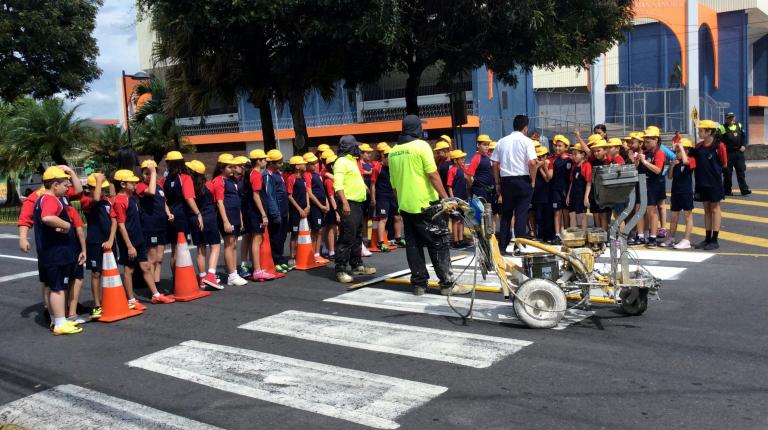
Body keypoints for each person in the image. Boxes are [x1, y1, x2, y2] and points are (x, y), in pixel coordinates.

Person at [389, 115, 458, 296]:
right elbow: (433, 174)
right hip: (426, 204)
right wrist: (446, 198)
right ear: (416, 129)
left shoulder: (393, 151)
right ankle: (447, 284)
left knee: (413, 246)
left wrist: (402, 202)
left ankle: (419, 284)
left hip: (406, 206)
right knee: (439, 243)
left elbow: (394, 184)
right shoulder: (421, 146)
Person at [110, 169, 175, 307]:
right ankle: (131, 300)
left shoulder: (132, 198)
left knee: (145, 266)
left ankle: (156, 295)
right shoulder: (119, 201)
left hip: (139, 238)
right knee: (129, 270)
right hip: (129, 241)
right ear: (122, 184)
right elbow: (121, 225)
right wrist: (129, 246)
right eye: (132, 183)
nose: (135, 185)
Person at [34, 166, 83, 335]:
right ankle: (60, 324)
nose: (67, 187)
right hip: (55, 252)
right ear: (55, 185)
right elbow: (47, 217)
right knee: (58, 288)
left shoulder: (43, 199)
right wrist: (66, 225)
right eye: (64, 184)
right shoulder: (51, 200)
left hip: (50, 252)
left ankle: (57, 321)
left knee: (55, 287)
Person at [491, 115, 538, 255]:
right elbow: (533, 163)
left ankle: (502, 246)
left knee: (506, 214)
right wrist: (533, 180)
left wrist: (498, 182)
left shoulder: (501, 141)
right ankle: (520, 245)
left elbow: (494, 163)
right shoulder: (527, 141)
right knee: (521, 213)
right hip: (522, 179)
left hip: (506, 181)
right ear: (525, 128)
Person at [333, 135, 376, 283]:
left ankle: (356, 264)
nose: (357, 148)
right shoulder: (341, 162)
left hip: (357, 203)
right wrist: (344, 202)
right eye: (355, 146)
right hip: (349, 203)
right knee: (347, 237)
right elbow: (337, 184)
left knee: (357, 235)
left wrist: (368, 193)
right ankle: (340, 269)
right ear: (349, 147)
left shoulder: (352, 161)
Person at [80, 173, 113, 320]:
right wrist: (98, 180)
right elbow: (96, 199)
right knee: (96, 273)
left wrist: (111, 239)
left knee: (110, 271)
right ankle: (97, 304)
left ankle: (110, 300)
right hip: (95, 242)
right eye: (98, 187)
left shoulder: (107, 201)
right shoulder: (86, 200)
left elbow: (114, 220)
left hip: (109, 241)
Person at [212, 154, 248, 286]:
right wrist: (226, 221)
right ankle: (232, 274)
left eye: (233, 167)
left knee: (233, 245)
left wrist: (241, 218)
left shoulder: (232, 181)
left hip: (235, 215)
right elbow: (220, 202)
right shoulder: (218, 181)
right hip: (227, 216)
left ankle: (233, 273)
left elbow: (237, 201)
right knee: (229, 244)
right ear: (221, 167)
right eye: (229, 167)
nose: (232, 169)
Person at [186, 160, 222, 290]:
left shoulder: (188, 186)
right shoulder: (208, 185)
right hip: (209, 217)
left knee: (200, 249)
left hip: (194, 218)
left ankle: (202, 278)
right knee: (215, 246)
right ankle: (211, 275)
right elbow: (214, 201)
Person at [163, 151, 203, 269]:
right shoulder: (185, 178)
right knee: (182, 250)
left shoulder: (166, 179)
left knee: (174, 251)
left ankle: (176, 281)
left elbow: (163, 198)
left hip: (170, 215)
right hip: (182, 216)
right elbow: (189, 197)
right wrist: (198, 213)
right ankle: (183, 280)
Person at [694, 120, 728, 250]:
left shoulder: (719, 146)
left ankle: (715, 239)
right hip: (701, 182)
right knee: (706, 210)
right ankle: (707, 238)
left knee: (715, 209)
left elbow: (724, 163)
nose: (699, 132)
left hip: (714, 182)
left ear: (709, 132)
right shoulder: (698, 147)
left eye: (701, 130)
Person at [136, 160, 171, 286]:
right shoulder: (141, 186)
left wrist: (168, 213)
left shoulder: (159, 186)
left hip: (161, 224)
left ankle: (157, 283)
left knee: (160, 258)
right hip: (150, 226)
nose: (148, 176)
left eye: (150, 173)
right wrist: (153, 173)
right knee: (152, 257)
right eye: (146, 173)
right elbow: (150, 192)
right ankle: (151, 287)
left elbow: (164, 202)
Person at [243, 149, 275, 281]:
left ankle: (255, 268)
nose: (266, 161)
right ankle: (257, 270)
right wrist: (263, 214)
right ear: (258, 161)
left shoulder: (252, 173)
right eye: (264, 159)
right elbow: (256, 196)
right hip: (255, 212)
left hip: (251, 211)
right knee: (257, 239)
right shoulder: (256, 175)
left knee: (255, 239)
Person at [663, 137, 696, 249]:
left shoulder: (691, 160)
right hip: (675, 191)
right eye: (676, 151)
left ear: (686, 151)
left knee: (688, 216)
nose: (676, 153)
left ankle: (686, 240)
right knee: (673, 216)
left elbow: (687, 162)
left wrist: (681, 147)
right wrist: (672, 165)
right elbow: (670, 176)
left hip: (686, 192)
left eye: (679, 151)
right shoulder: (676, 162)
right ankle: (671, 238)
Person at [371, 144, 404, 252]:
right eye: (388, 157)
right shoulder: (377, 167)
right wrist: (373, 198)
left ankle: (398, 238)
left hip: (392, 195)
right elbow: (372, 184)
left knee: (397, 216)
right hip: (382, 196)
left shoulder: (393, 167)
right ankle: (381, 242)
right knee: (383, 218)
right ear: (383, 157)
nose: (390, 160)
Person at [262, 150, 290, 273]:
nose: (281, 164)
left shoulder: (278, 173)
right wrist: (274, 213)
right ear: (271, 163)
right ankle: (275, 260)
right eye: (278, 163)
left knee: (282, 236)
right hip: (276, 211)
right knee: (276, 237)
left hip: (284, 210)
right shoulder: (268, 175)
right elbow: (269, 195)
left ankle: (279, 257)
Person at [304, 152, 330, 263]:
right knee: (316, 230)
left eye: (315, 163)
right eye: (312, 164)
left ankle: (317, 252)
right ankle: (314, 253)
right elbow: (309, 193)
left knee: (320, 230)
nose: (315, 165)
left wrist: (327, 203)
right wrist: (320, 205)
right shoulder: (307, 175)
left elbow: (323, 191)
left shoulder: (317, 174)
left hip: (322, 206)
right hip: (316, 207)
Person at [467, 134, 496, 230]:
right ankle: (481, 237)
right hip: (480, 191)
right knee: (480, 216)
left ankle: (488, 235)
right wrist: (472, 187)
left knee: (488, 214)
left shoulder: (487, 158)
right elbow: (469, 176)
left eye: (488, 144)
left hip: (488, 191)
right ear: (478, 145)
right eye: (484, 144)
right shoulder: (476, 158)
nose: (487, 147)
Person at [286, 155, 310, 269]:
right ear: (297, 166)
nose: (305, 165)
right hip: (296, 211)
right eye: (303, 163)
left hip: (305, 210)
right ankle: (291, 257)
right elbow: (289, 196)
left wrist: (308, 206)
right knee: (294, 234)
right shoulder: (291, 178)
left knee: (304, 232)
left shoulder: (304, 177)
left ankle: (301, 255)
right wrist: (299, 209)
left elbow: (306, 192)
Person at [548, 135, 572, 244]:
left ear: (566, 147)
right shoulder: (553, 160)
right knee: (557, 212)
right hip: (555, 190)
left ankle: (566, 232)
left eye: (560, 146)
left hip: (566, 190)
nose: (557, 148)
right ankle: (557, 234)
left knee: (566, 212)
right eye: (556, 146)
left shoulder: (571, 160)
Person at [719, 112, 751, 196]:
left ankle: (744, 190)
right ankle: (727, 190)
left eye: (732, 117)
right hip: (728, 154)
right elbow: (719, 141)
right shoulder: (722, 128)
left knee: (741, 172)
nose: (731, 119)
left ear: (735, 117)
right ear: (726, 119)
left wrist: (743, 145)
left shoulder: (739, 125)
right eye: (729, 118)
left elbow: (743, 137)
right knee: (727, 173)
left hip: (739, 153)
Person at [446, 149, 470, 248]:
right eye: (461, 158)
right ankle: (455, 241)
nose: (464, 160)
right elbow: (449, 185)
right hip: (456, 198)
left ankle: (461, 239)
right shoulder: (452, 170)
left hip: (463, 197)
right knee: (455, 220)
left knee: (461, 219)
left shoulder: (463, 168)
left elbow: (468, 178)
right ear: (455, 160)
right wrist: (452, 199)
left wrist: (467, 177)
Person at [566, 143, 591, 232]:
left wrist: (586, 197)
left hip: (581, 194)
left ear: (583, 154)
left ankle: (584, 236)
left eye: (575, 154)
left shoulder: (586, 165)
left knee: (582, 216)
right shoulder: (574, 166)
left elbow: (588, 182)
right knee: (572, 215)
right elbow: (572, 182)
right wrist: (568, 195)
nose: (573, 156)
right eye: (572, 154)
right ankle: (574, 236)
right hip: (573, 193)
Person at [532, 146, 554, 242]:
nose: (539, 159)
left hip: (547, 193)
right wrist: (537, 167)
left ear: (546, 156)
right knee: (538, 216)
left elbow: (548, 178)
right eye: (538, 157)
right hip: (537, 193)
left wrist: (543, 167)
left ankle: (548, 235)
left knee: (548, 215)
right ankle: (540, 235)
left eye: (542, 156)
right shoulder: (534, 165)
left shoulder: (549, 164)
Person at [322, 153, 340, 260]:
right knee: (332, 228)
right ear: (332, 166)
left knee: (334, 228)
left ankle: (333, 249)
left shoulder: (333, 178)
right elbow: (331, 197)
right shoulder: (329, 181)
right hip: (332, 208)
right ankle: (331, 251)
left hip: (335, 206)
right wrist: (337, 211)